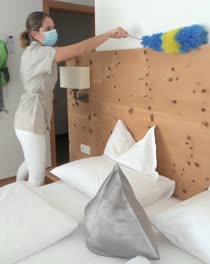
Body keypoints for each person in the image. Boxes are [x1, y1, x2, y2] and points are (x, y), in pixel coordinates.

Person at [15, 11, 128, 186]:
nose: (53, 31)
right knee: (37, 175)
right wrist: (109, 34)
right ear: (35, 34)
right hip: (30, 117)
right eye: (48, 28)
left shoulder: (37, 52)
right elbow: (81, 49)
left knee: (32, 162)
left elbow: (74, 52)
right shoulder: (38, 52)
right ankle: (29, 204)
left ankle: (17, 187)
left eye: (54, 27)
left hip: (30, 116)